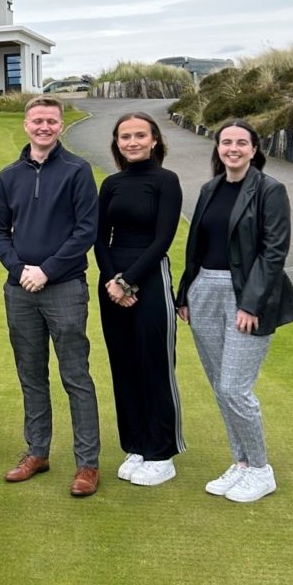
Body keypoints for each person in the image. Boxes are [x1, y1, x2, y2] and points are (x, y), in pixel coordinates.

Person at [176, 119, 293, 503]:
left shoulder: (270, 190)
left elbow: (274, 251)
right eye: (226, 142)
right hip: (204, 293)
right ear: (218, 148)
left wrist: (251, 303)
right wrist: (185, 294)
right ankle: (242, 463)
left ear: (253, 149)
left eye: (241, 143)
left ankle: (261, 469)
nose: (232, 148)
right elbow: (196, 245)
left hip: (247, 297)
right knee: (220, 388)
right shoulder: (209, 188)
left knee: (235, 387)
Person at [0, 96, 101, 496]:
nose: (44, 127)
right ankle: (37, 451)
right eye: (37, 120)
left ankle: (87, 463)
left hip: (65, 287)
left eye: (51, 121)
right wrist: (20, 270)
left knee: (75, 376)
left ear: (60, 125)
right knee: (31, 375)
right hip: (20, 290)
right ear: (26, 125)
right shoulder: (9, 175)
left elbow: (86, 231)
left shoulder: (77, 170)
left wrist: (47, 270)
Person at [94, 111, 185, 486]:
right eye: (124, 136)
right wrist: (113, 281)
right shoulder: (112, 183)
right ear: (117, 143)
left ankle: (161, 452)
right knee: (124, 365)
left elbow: (163, 239)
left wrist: (128, 281)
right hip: (112, 281)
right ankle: (135, 444)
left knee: (154, 364)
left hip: (148, 279)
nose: (132, 142)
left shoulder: (166, 181)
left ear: (154, 140)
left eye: (139, 135)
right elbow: (99, 238)